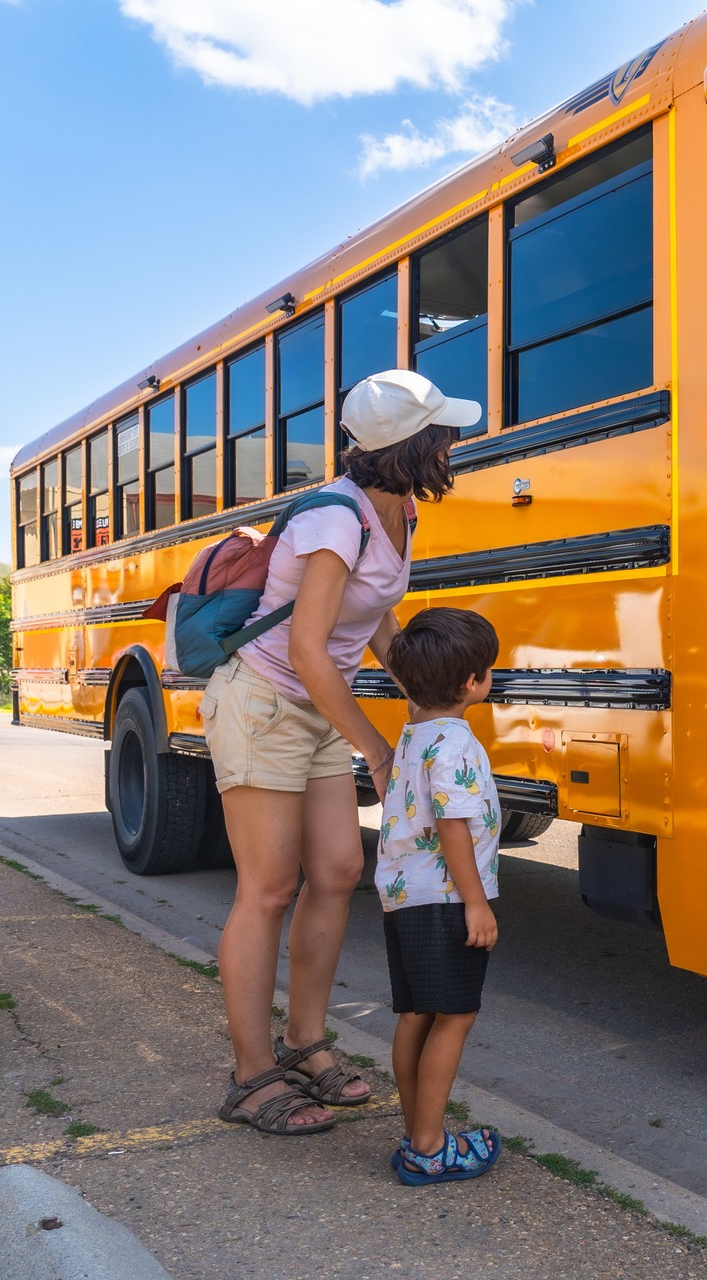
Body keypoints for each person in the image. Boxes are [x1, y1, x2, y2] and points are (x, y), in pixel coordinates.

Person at [207, 369, 477, 1136]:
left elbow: (376, 621)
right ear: (414, 446)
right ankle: (251, 1074)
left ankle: (303, 1043)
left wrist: (431, 705)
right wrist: (380, 751)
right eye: (445, 432)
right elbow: (306, 645)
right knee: (268, 887)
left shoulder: (401, 512)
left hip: (319, 703)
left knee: (337, 870)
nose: (455, 443)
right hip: (264, 703)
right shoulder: (337, 518)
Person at [374, 606, 504, 1184]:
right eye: (487, 669)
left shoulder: (415, 730)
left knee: (416, 1016)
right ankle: (429, 1147)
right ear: (471, 683)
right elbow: (454, 824)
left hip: (405, 897)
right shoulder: (454, 741)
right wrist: (476, 902)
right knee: (455, 1016)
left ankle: (416, 1134)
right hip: (447, 899)